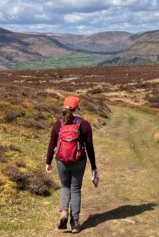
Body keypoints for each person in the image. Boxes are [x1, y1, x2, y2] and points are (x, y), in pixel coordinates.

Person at [45, 95, 98, 233]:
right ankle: (75, 223)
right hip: (79, 161)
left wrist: (48, 162)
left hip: (61, 161)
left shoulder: (58, 124)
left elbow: (52, 144)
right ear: (76, 107)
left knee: (65, 187)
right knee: (75, 190)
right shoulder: (84, 124)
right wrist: (93, 167)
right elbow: (90, 147)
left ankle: (63, 213)